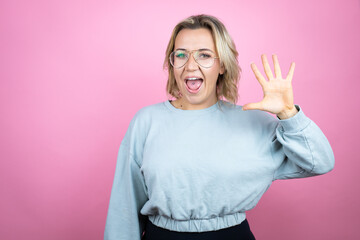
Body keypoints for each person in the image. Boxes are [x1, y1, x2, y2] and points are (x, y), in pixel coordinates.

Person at [104, 14, 335, 240]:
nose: (190, 65)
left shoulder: (252, 122)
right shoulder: (146, 121)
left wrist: (288, 115)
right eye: (181, 54)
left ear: (222, 65)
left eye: (204, 55)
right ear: (172, 63)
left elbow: (320, 162)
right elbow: (124, 206)